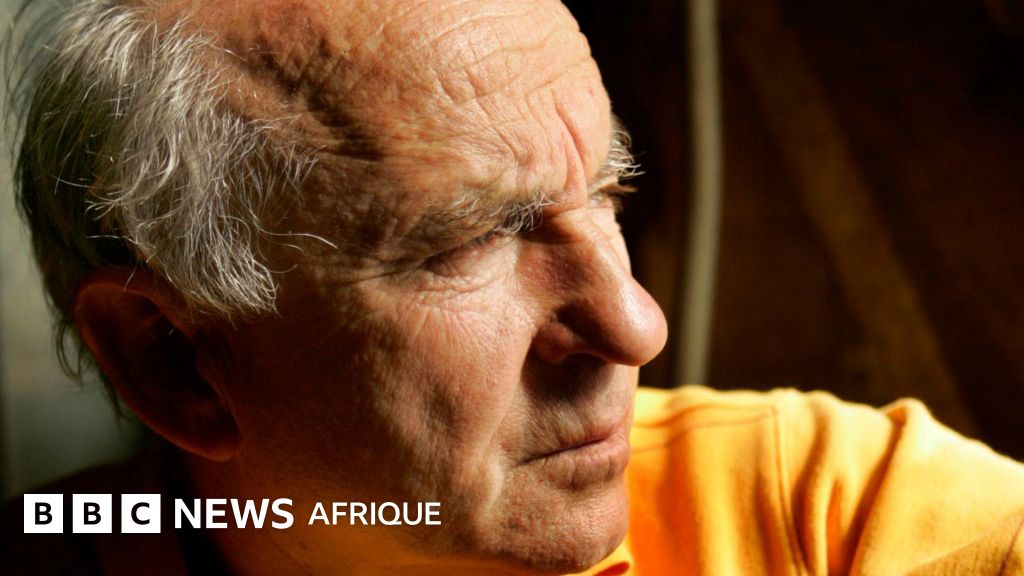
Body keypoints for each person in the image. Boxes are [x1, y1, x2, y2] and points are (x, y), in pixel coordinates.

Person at [3, 0, 1024, 574]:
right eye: (470, 239)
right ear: (171, 360)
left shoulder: (829, 512)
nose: (636, 326)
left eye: (608, 192)